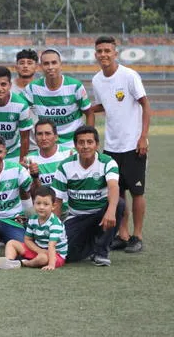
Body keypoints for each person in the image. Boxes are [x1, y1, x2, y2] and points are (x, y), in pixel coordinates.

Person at [91, 36, 151, 253]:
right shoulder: (97, 80)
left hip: (133, 145)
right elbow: (102, 106)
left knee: (137, 191)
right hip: (111, 146)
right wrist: (87, 111)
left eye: (108, 50)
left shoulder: (129, 76)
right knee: (118, 191)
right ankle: (123, 234)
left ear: (115, 53)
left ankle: (138, 235)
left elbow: (145, 104)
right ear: (95, 54)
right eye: (100, 51)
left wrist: (143, 136)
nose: (104, 54)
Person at [51, 125, 125, 266]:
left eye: (89, 142)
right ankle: (92, 246)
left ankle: (101, 252)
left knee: (119, 204)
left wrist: (110, 210)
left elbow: (113, 187)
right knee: (67, 256)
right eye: (81, 142)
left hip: (100, 215)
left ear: (97, 144)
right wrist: (54, 229)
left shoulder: (107, 162)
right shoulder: (65, 166)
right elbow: (57, 201)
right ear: (75, 145)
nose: (85, 146)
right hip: (77, 218)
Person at [24, 48, 94, 148]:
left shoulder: (75, 86)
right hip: (48, 145)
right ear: (40, 67)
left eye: (54, 63)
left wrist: (88, 139)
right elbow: (18, 106)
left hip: (73, 144)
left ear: (61, 65)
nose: (50, 67)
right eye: (46, 63)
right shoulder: (33, 88)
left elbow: (89, 113)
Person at [0, 186, 68, 270]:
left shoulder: (55, 224)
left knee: (43, 258)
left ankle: (25, 263)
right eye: (38, 203)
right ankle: (9, 262)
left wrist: (51, 265)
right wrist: (38, 250)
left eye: (46, 204)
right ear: (33, 203)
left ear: (53, 206)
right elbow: (27, 239)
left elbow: (52, 246)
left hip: (55, 255)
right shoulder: (33, 219)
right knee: (11, 243)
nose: (41, 207)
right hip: (38, 250)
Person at [26, 119, 73, 217]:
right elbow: (32, 195)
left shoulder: (69, 154)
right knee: (29, 212)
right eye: (39, 134)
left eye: (47, 133)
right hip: (43, 210)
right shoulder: (29, 160)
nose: (43, 138)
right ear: (35, 138)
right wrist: (35, 177)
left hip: (69, 209)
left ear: (56, 137)